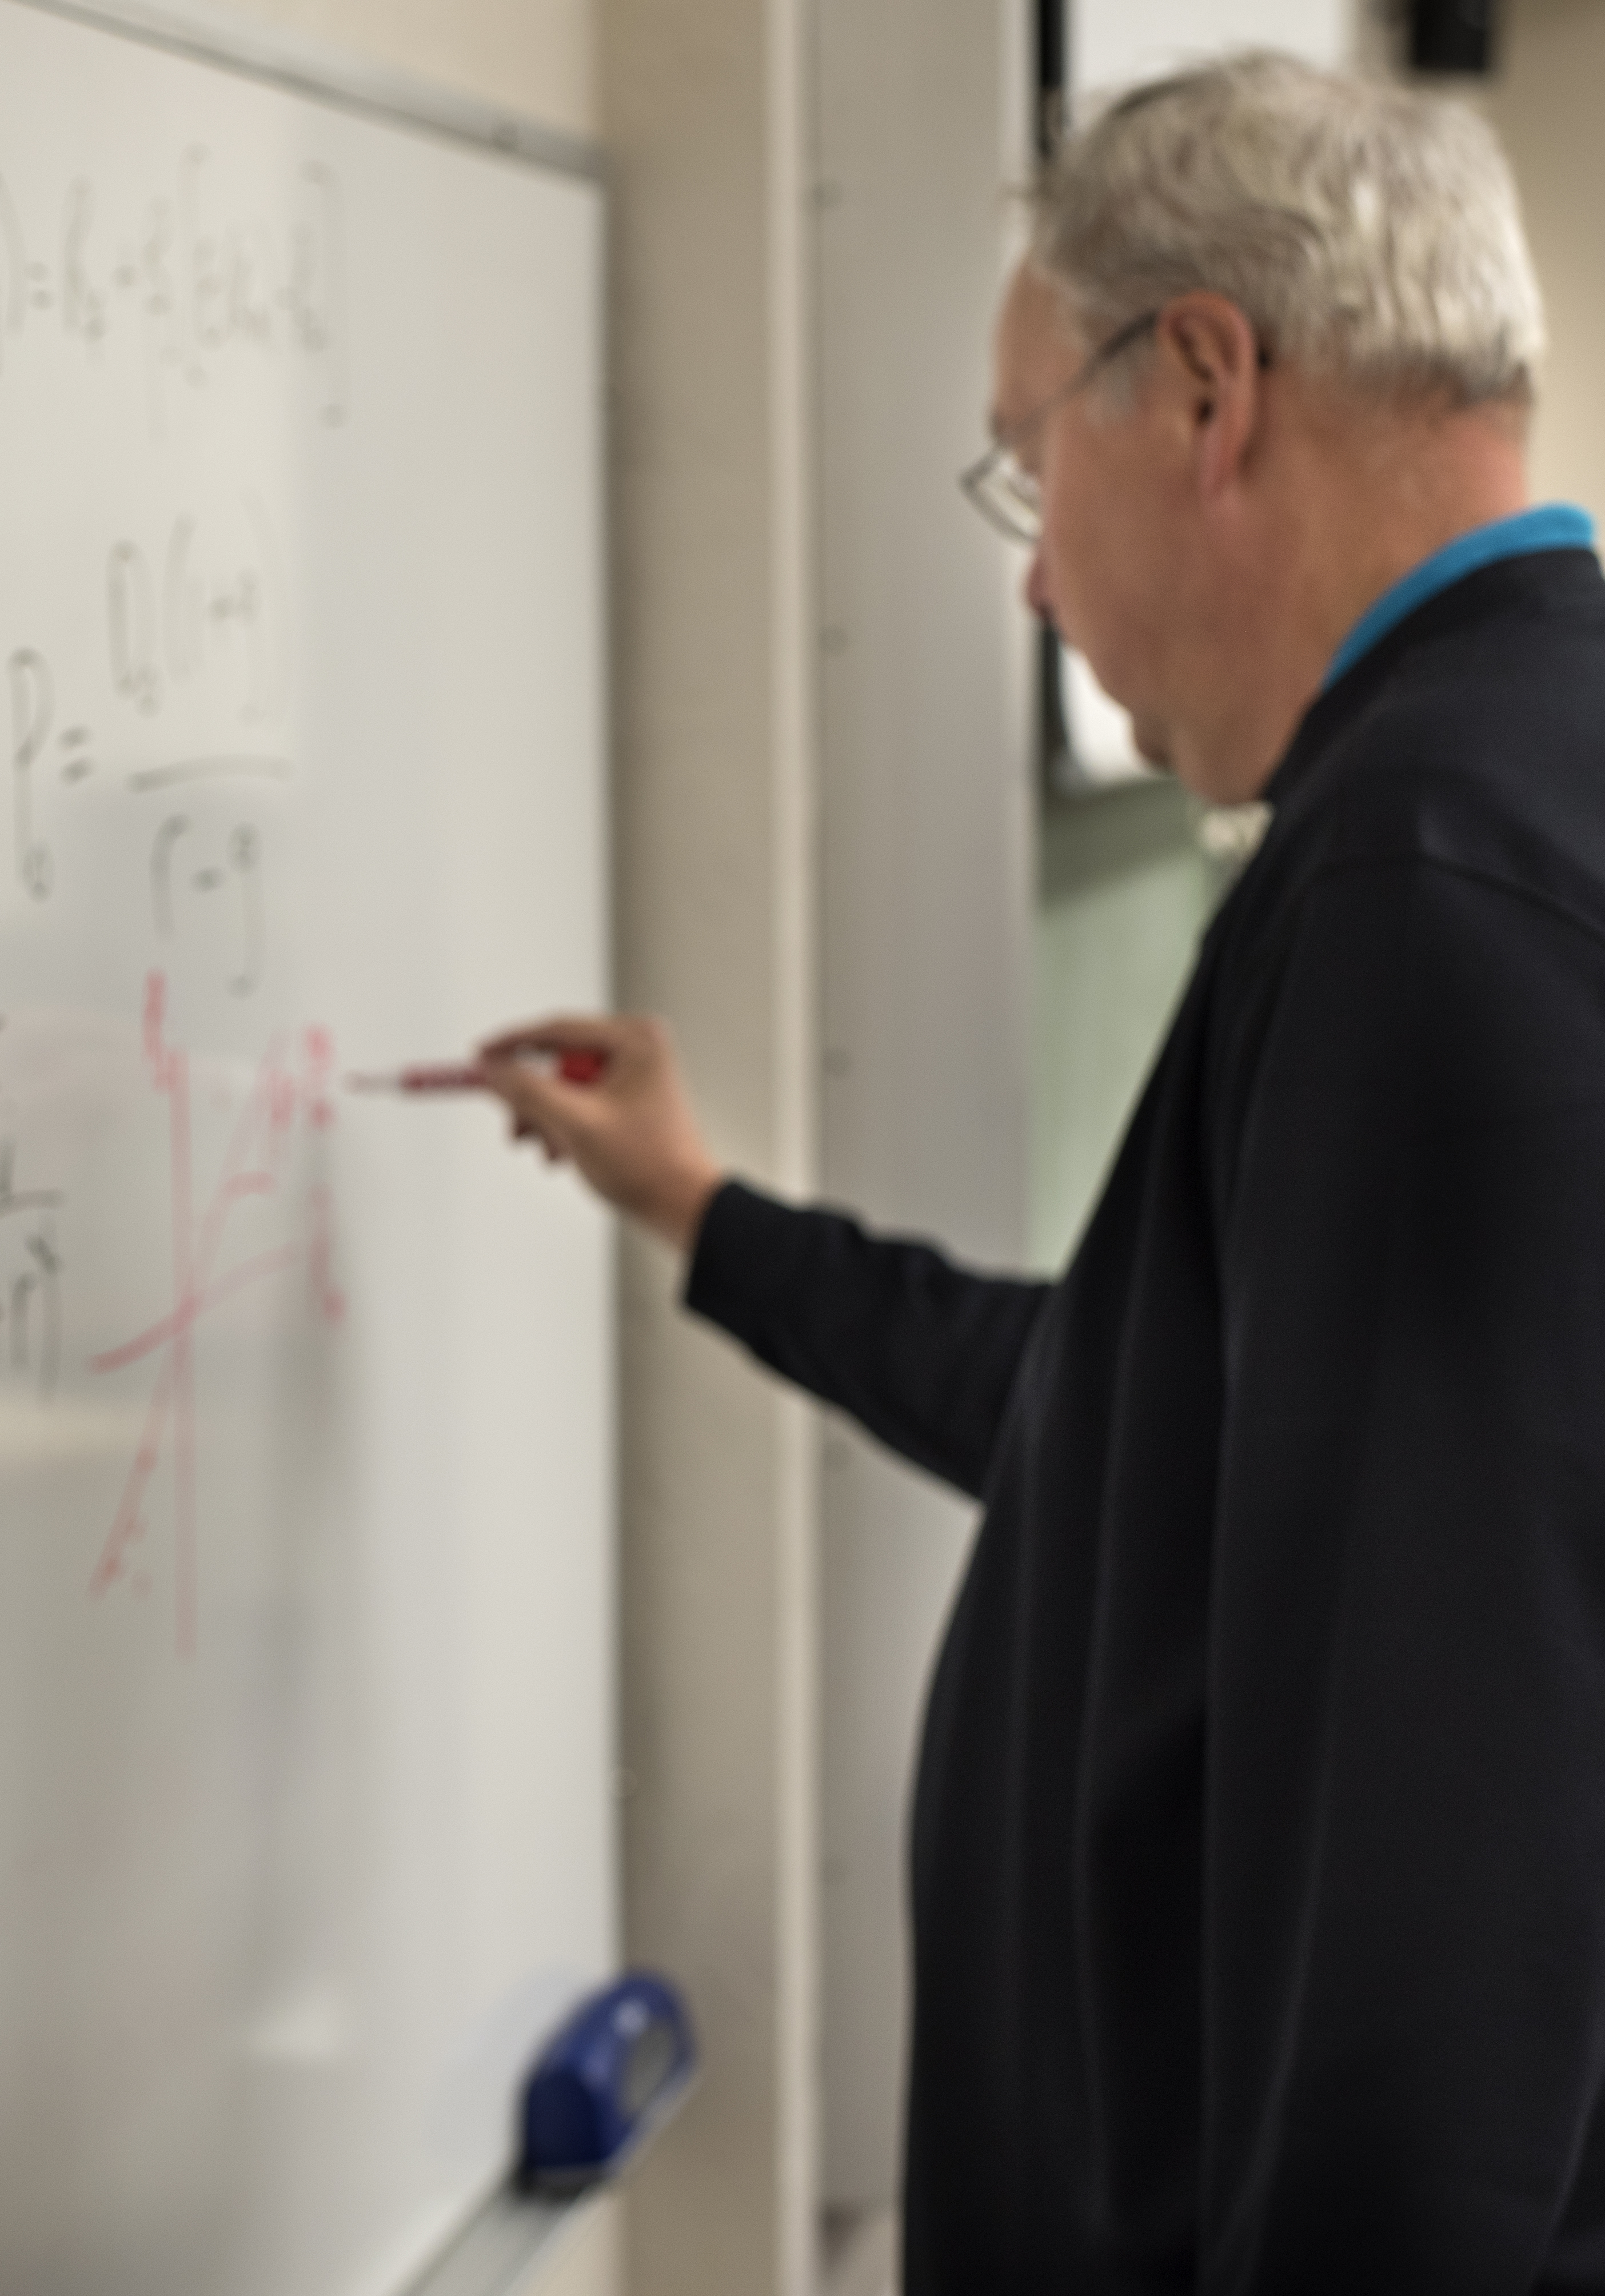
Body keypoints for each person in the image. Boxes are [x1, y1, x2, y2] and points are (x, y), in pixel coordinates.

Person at [473, 53, 1605, 2294]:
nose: (1031, 583)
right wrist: (708, 1204)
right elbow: (1134, 1443)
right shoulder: (1486, 798)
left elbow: (1439, 1948)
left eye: (1023, 466)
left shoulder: (1427, 885)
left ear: (1199, 386)